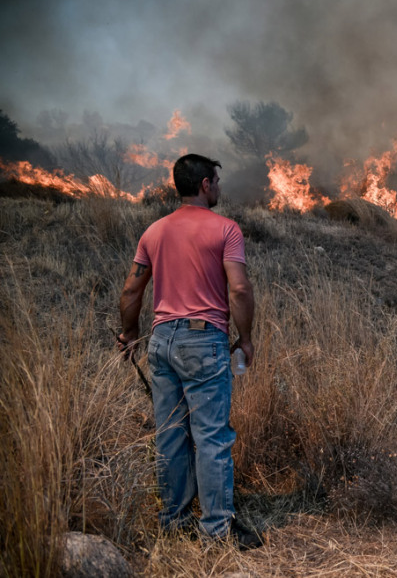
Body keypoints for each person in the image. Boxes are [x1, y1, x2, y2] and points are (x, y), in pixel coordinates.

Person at [117, 153, 262, 549]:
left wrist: (129, 334)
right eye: (216, 180)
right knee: (212, 437)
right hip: (203, 340)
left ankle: (174, 521)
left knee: (171, 435)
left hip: (162, 341)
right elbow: (240, 289)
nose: (219, 187)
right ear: (204, 185)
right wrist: (245, 338)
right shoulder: (226, 230)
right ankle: (216, 531)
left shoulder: (154, 231)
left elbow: (132, 290)